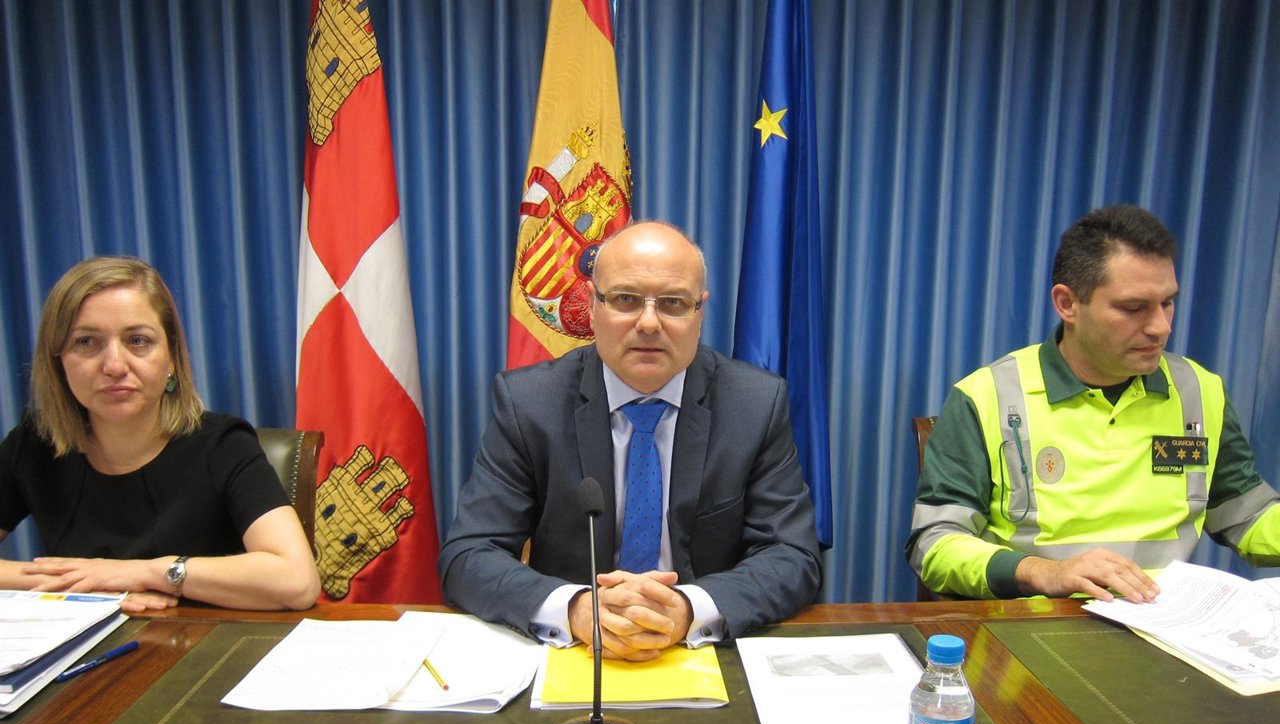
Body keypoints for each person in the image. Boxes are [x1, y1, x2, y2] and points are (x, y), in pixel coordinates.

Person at [439, 221, 821, 660]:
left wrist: (686, 609)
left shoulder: (754, 404)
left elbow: (793, 555)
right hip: (574, 652)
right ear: (591, 305)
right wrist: (579, 609)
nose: (648, 323)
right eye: (625, 299)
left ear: (700, 313)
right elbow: (468, 554)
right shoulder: (530, 404)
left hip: (701, 650)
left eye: (674, 303)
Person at [908, 204, 1280, 602]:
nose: (1161, 327)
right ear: (1068, 304)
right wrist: (1043, 573)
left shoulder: (1200, 391)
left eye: (1167, 302)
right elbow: (935, 544)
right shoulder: (987, 397)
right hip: (1030, 629)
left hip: (1163, 631)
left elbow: (1248, 515)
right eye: (1134, 308)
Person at [0, 256, 320, 613]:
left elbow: (296, 581)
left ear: (170, 359)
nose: (115, 366)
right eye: (87, 343)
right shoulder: (34, 444)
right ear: (58, 360)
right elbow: (89, 582)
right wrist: (83, 585)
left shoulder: (222, 445)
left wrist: (143, 573)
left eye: (137, 340)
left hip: (202, 649)